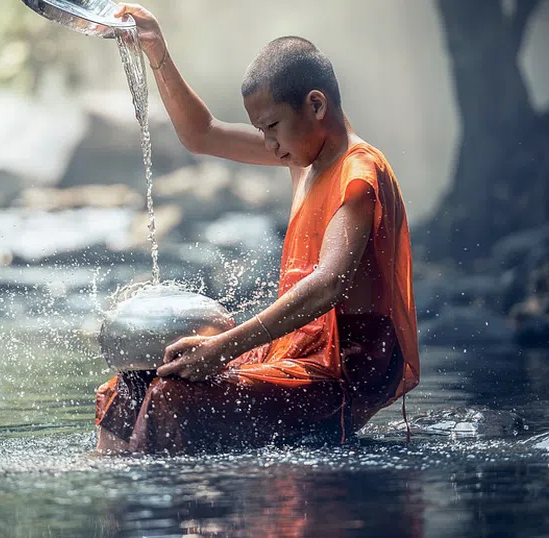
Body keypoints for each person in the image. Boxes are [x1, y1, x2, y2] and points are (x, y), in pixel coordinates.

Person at [95, 4, 419, 455]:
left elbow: (329, 284)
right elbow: (202, 134)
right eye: (260, 130)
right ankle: (115, 499)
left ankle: (188, 517)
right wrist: (156, 49)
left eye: (272, 127)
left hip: (342, 372)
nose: (269, 145)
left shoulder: (358, 173)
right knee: (130, 384)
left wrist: (224, 348)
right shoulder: (302, 155)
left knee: (170, 397)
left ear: (316, 105)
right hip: (293, 353)